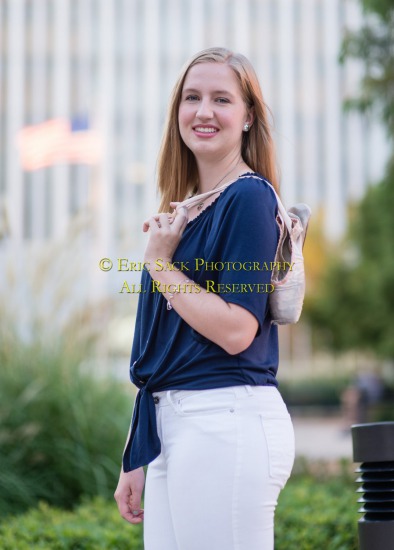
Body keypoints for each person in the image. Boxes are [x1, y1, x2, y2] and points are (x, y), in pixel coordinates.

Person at [114, 47, 295, 550]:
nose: (204, 111)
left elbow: (238, 330)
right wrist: (138, 451)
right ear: (177, 113)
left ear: (248, 116)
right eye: (192, 97)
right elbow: (161, 347)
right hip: (177, 427)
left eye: (222, 99)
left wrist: (159, 265)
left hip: (225, 421)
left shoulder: (250, 198)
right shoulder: (184, 214)